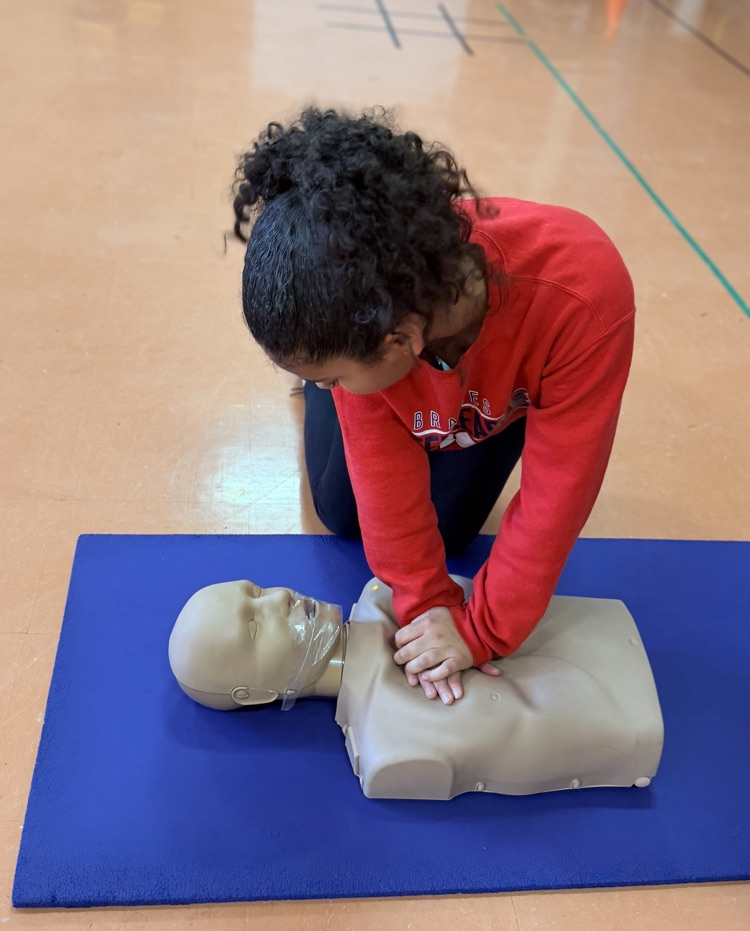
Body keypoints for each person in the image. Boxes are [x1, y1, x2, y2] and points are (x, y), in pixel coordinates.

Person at [232, 108, 635, 707]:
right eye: (319, 376)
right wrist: (425, 604)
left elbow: (559, 493)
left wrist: (480, 632)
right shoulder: (368, 312)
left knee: (451, 530)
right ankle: (319, 381)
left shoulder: (583, 297)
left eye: (330, 376)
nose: (329, 384)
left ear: (400, 341)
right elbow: (382, 475)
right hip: (388, 367)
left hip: (492, 396)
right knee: (343, 512)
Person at [167, 576, 663, 799]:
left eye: (256, 591)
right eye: (254, 627)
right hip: (630, 724)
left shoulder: (386, 591)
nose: (278, 599)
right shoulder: (392, 748)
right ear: (253, 694)